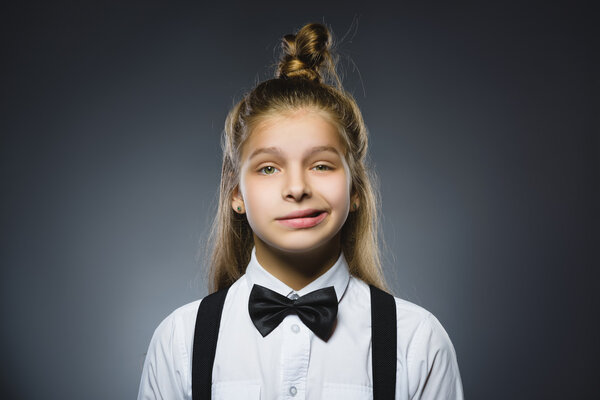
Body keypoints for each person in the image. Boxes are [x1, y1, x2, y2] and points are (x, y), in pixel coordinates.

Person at [137, 22, 464, 400]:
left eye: (322, 165)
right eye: (268, 168)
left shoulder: (417, 342)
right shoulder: (180, 341)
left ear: (355, 187)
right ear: (235, 192)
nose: (296, 189)